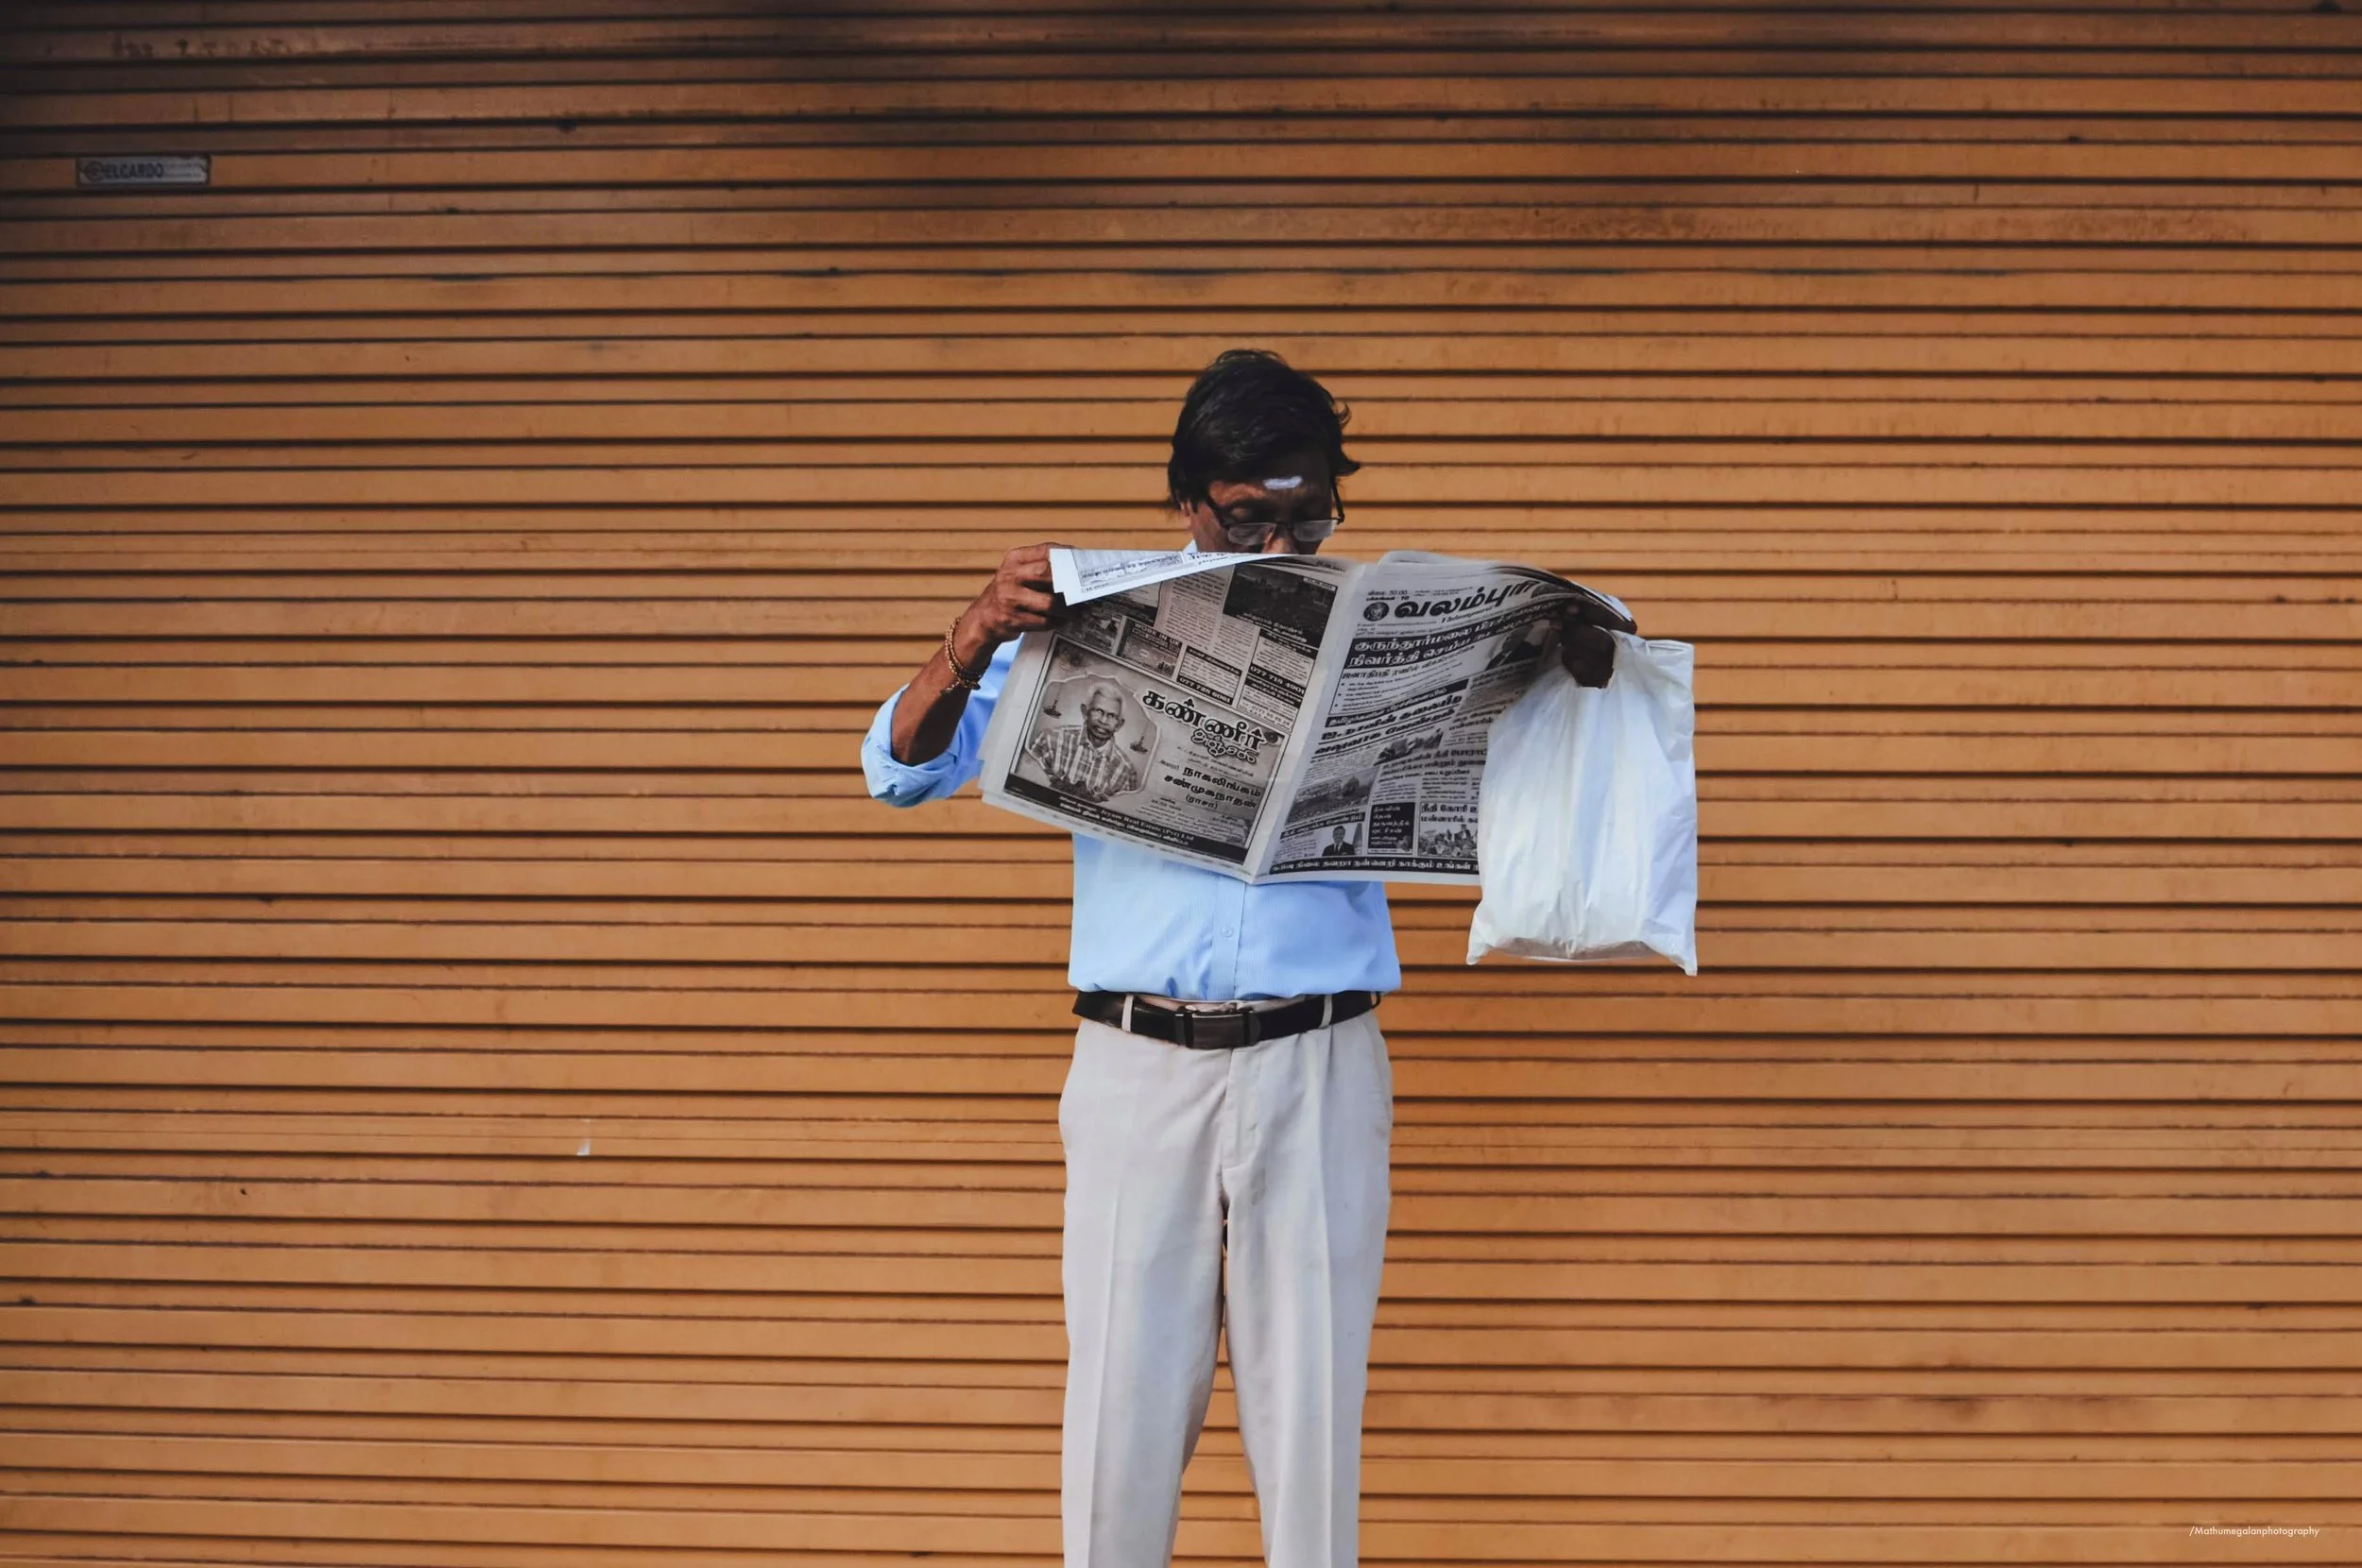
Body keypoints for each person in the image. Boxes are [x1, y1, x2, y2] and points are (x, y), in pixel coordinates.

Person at [860, 349, 1635, 1568]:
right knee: (1117, 1432)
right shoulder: (1094, 625)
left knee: (1311, 1436)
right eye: (1248, 519)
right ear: (1188, 504)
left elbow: (1530, 790)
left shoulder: (1361, 624)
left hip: (1320, 1063)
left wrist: (1571, 671)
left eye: (1308, 517)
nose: (1280, 548)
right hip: (1137, 1067)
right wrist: (968, 639)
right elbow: (896, 768)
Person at [1027, 678, 1144, 802]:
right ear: (1085, 711)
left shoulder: (1126, 772)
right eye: (1098, 711)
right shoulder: (1050, 739)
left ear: (1119, 725)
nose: (1103, 721)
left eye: (1112, 716)